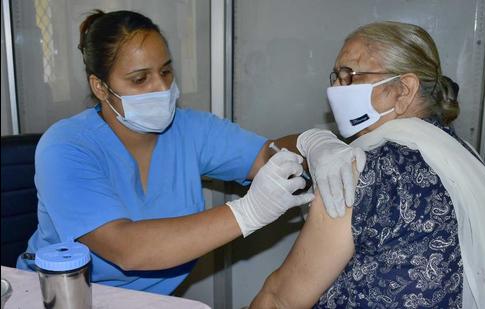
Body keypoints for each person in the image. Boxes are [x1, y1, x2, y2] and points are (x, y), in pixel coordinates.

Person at [16, 10, 367, 295]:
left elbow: (266, 154)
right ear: (100, 86)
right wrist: (248, 211)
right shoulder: (67, 146)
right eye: (140, 79)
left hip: (154, 301)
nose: (162, 87)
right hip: (61, 295)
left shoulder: (189, 130)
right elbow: (126, 248)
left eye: (166, 71)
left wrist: (312, 145)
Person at [251, 21, 485, 308]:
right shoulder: (461, 155)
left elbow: (280, 299)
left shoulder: (365, 169)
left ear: (404, 90)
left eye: (349, 75)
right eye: (336, 77)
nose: (336, 90)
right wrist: (309, 142)